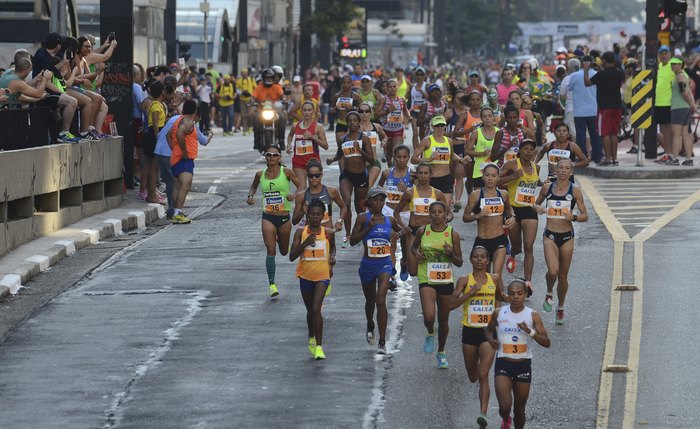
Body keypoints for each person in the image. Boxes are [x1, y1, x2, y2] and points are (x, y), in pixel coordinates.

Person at [450, 246, 505, 429]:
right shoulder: (464, 280)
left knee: (483, 375)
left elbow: (501, 296)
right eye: (476, 256)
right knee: (473, 376)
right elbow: (450, 304)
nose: (480, 260)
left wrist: (521, 292)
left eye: (483, 257)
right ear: (471, 260)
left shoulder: (495, 279)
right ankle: (480, 391)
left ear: (488, 260)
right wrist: (470, 293)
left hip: (487, 333)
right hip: (469, 332)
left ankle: (483, 414)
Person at [485, 280, 550, 429]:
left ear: (525, 295)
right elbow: (487, 330)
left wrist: (530, 331)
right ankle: (506, 418)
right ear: (508, 295)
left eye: (520, 293)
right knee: (505, 407)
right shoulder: (499, 312)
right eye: (512, 293)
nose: (516, 297)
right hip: (503, 364)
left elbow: (547, 342)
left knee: (520, 409)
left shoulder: (532, 316)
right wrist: (490, 340)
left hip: (523, 365)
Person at [534, 159, 589, 324]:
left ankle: (561, 307)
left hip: (567, 236)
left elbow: (585, 216)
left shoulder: (575, 191)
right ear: (555, 169)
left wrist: (574, 217)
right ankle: (549, 291)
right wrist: (538, 208)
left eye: (567, 168)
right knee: (553, 271)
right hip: (550, 234)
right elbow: (534, 205)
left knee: (563, 275)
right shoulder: (547, 187)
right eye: (561, 168)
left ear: (571, 171)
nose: (564, 171)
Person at [350, 186, 403, 354]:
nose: (379, 203)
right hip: (367, 265)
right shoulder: (362, 218)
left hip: (385, 264)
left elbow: (403, 232)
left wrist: (398, 236)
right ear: (369, 201)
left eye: (382, 200)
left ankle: (382, 341)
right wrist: (367, 228)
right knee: (370, 301)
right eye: (375, 200)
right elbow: (352, 241)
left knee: (381, 300)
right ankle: (370, 323)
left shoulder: (390, 220)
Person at [411, 201, 463, 368]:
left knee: (444, 319)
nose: (437, 215)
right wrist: (417, 254)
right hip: (426, 277)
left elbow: (460, 262)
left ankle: (441, 351)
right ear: (429, 214)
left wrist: (451, 254)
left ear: (445, 214)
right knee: (429, 315)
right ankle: (430, 331)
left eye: (440, 212)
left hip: (445, 279)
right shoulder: (422, 231)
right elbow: (413, 248)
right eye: (433, 212)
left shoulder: (452, 234)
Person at [246, 144, 302, 297]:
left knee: (284, 251)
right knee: (271, 250)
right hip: (268, 217)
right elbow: (253, 188)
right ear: (265, 157)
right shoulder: (259, 174)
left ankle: (281, 241)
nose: (271, 157)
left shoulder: (287, 172)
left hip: (283, 217)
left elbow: (301, 186)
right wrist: (250, 196)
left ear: (279, 157)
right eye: (268, 155)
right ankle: (272, 284)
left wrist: (294, 195)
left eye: (274, 155)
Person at [289, 198, 335, 360]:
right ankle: (311, 336)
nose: (315, 217)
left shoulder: (328, 233)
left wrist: (332, 260)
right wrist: (305, 244)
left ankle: (320, 347)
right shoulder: (300, 233)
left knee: (316, 309)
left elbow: (333, 248)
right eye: (312, 214)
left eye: (318, 215)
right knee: (310, 311)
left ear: (323, 216)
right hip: (305, 276)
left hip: (322, 276)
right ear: (307, 215)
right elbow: (292, 256)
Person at [498, 139, 540, 296]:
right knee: (517, 246)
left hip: (529, 210)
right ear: (520, 151)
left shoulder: (537, 167)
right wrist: (513, 176)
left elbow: (536, 184)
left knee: (529, 247)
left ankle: (527, 283)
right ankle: (513, 255)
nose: (528, 152)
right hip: (513, 210)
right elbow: (496, 180)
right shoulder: (511, 165)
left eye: (531, 149)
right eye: (525, 149)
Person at [326, 111, 374, 248]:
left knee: (360, 208)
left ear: (359, 122)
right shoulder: (343, 139)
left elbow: (371, 159)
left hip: (361, 176)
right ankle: (347, 234)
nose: (352, 123)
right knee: (346, 203)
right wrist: (332, 160)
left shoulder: (363, 138)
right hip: (347, 175)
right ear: (347, 123)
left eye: (355, 120)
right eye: (350, 121)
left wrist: (360, 150)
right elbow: (339, 154)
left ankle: (358, 232)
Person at [158, 100, 212, 218]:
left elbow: (169, 135)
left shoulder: (179, 120)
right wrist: (183, 152)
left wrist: (175, 149)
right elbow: (178, 134)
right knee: (186, 184)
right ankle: (178, 213)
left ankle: (176, 212)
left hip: (177, 158)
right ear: (195, 111)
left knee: (177, 186)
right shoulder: (188, 122)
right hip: (184, 159)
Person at [393, 162, 449, 277]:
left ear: (431, 175)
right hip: (413, 232)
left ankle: (426, 288)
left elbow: (449, 213)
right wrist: (404, 227)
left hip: (431, 233)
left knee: (430, 267)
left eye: (426, 173)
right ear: (416, 175)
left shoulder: (437, 194)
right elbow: (396, 212)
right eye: (421, 173)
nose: (423, 176)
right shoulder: (410, 193)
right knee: (413, 271)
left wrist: (444, 220)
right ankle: (404, 262)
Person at [463, 163, 515, 278]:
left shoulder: (503, 194)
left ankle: (498, 296)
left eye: (493, 175)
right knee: (483, 277)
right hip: (482, 241)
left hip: (499, 240)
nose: (490, 178)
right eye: (487, 175)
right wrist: (477, 216)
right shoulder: (475, 195)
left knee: (496, 276)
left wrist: (512, 218)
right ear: (483, 177)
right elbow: (465, 217)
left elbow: (509, 211)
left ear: (498, 177)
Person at [413, 115, 468, 207]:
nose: (440, 128)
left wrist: (461, 160)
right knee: (430, 208)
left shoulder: (449, 141)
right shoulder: (427, 141)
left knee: (444, 208)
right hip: (431, 179)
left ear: (445, 126)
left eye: (442, 125)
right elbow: (413, 159)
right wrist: (428, 159)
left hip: (446, 179)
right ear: (432, 127)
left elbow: (452, 155)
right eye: (437, 126)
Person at [378, 145, 413, 282]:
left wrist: (408, 190)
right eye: (399, 157)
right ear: (394, 158)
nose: (402, 160)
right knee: (391, 240)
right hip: (389, 211)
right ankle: (391, 273)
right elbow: (379, 189)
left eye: (405, 157)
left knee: (405, 244)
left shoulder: (413, 174)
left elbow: (417, 194)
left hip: (405, 213)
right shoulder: (387, 173)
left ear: (408, 158)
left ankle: (404, 263)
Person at [584, 51, 626, 166]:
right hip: (617, 106)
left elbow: (587, 83)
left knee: (605, 133)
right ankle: (615, 159)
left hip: (604, 107)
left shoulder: (601, 75)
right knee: (614, 133)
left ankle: (607, 159)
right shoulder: (619, 73)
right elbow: (622, 78)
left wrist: (586, 70)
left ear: (604, 61)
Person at [292, 159, 348, 237]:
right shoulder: (301, 196)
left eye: (317, 175)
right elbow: (294, 221)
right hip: (309, 235)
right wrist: (302, 211)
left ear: (321, 175)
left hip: (327, 234)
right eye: (311, 176)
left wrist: (340, 221)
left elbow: (343, 207)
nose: (314, 178)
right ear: (307, 175)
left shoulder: (331, 191)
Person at [568, 55, 603, 163]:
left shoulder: (574, 76)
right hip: (593, 109)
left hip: (579, 111)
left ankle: (582, 156)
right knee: (595, 134)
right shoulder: (597, 74)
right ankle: (597, 156)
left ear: (582, 63)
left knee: (581, 135)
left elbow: (569, 88)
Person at [286, 100, 328, 187]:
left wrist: (313, 137)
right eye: (305, 110)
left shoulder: (318, 127)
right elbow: (290, 136)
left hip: (313, 163)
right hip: (298, 162)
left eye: (309, 110)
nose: (307, 112)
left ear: (313, 111)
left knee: (314, 188)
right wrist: (289, 145)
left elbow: (325, 146)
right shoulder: (295, 126)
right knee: (301, 189)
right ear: (301, 111)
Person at [668, 56, 697, 165]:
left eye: (675, 64)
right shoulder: (685, 75)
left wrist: (690, 103)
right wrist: (692, 104)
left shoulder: (680, 77)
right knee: (686, 134)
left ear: (680, 64)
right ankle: (688, 159)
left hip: (678, 107)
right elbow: (690, 92)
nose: (672, 66)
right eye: (672, 64)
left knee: (676, 135)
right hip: (685, 108)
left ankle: (675, 158)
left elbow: (684, 92)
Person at [142, 80, 167, 204]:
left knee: (154, 168)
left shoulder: (158, 104)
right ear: (162, 92)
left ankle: (151, 194)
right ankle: (151, 196)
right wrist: (159, 140)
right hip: (153, 137)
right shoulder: (156, 105)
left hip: (154, 136)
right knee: (153, 168)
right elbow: (155, 124)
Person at [466, 107, 501, 190]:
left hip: (495, 170)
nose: (487, 118)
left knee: (493, 196)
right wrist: (481, 154)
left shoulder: (499, 132)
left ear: (494, 117)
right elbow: (467, 150)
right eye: (484, 117)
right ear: (481, 119)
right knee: (478, 197)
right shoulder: (476, 133)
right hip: (479, 171)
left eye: (489, 116)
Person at [252, 69, 286, 149]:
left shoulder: (277, 87)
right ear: (263, 78)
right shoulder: (258, 87)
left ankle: (281, 140)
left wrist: (283, 100)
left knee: (282, 116)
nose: (268, 79)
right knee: (256, 117)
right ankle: (256, 140)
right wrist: (253, 102)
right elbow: (253, 97)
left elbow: (282, 96)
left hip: (275, 110)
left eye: (270, 78)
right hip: (261, 110)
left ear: (273, 78)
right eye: (266, 78)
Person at [380, 79, 411, 166]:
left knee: (396, 151)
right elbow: (376, 114)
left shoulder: (402, 100)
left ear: (397, 87)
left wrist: (408, 116)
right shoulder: (383, 100)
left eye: (394, 86)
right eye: (390, 87)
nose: (392, 89)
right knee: (389, 154)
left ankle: (394, 171)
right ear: (387, 88)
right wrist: (386, 111)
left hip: (398, 129)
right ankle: (390, 165)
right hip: (386, 129)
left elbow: (405, 111)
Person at [358, 102, 388, 186]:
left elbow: (384, 137)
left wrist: (384, 141)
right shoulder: (354, 128)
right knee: (360, 190)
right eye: (361, 111)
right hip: (358, 165)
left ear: (370, 113)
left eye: (367, 111)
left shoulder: (377, 127)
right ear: (358, 113)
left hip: (373, 163)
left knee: (368, 186)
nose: (364, 113)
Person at [654, 46, 674, 162]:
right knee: (664, 130)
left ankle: (672, 153)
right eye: (662, 53)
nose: (664, 55)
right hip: (659, 103)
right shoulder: (659, 67)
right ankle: (668, 153)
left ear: (670, 54)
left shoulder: (673, 66)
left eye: (666, 53)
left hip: (669, 103)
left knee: (671, 130)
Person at [330, 75, 363, 145]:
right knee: (340, 146)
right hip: (341, 123)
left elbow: (363, 109)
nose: (346, 85)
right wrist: (332, 110)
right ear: (341, 84)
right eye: (344, 82)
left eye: (348, 83)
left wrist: (353, 108)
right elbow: (332, 108)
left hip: (353, 124)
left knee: (352, 146)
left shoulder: (355, 96)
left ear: (351, 84)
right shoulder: (337, 96)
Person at [409, 67, 429, 148]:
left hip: (423, 112)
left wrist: (421, 91)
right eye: (417, 74)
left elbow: (430, 98)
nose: (419, 76)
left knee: (421, 134)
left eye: (421, 74)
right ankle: (415, 152)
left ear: (424, 76)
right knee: (415, 133)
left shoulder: (426, 86)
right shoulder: (412, 86)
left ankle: (422, 150)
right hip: (414, 111)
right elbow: (408, 98)